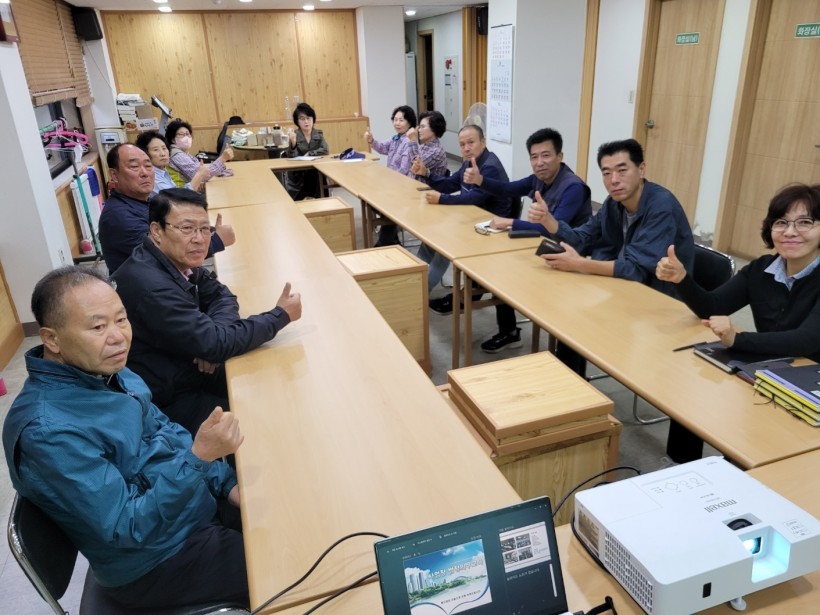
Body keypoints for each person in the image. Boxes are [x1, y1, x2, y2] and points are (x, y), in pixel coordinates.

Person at [2, 266, 248, 610]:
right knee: (295, 564)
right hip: (156, 561)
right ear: (52, 339)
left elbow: (165, 431)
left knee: (288, 508)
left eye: (121, 320)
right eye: (98, 327)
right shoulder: (47, 432)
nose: (118, 337)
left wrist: (225, 482)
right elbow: (126, 528)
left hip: (187, 509)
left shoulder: (106, 370)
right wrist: (200, 460)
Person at [112, 188, 302, 434]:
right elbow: (215, 343)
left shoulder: (170, 258)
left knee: (272, 383)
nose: (200, 239)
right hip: (165, 400)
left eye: (204, 229)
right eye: (187, 228)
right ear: (156, 231)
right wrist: (280, 315)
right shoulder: (151, 286)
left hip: (186, 367)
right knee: (257, 425)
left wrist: (211, 339)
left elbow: (222, 295)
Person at [531, 138, 694, 375]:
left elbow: (635, 269)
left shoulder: (661, 206)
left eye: (622, 170)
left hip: (659, 300)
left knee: (577, 317)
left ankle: (573, 382)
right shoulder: (613, 204)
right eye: (606, 173)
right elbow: (583, 237)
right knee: (568, 315)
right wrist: (548, 220)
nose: (614, 180)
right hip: (624, 288)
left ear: (641, 169)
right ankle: (570, 384)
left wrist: (580, 264)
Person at [657, 183, 820, 362]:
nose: (789, 232)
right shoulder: (761, 269)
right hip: (771, 366)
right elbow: (712, 308)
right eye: (781, 222)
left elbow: (807, 340)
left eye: (805, 222)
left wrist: (736, 339)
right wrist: (681, 279)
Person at [462, 128, 592, 352]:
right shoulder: (537, 180)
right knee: (500, 271)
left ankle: (560, 351)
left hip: (570, 258)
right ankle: (509, 332)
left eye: (546, 155)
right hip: (543, 247)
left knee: (507, 273)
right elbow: (507, 189)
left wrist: (510, 222)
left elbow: (552, 229)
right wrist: (480, 180)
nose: (539, 162)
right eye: (534, 157)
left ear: (560, 157)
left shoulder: (573, 187)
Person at [412, 124, 514, 315]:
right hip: (472, 221)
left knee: (443, 247)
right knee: (430, 241)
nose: (466, 148)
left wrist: (442, 199)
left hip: (491, 231)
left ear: (483, 142)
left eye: (471, 142)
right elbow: (450, 184)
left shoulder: (489, 167)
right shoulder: (469, 163)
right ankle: (413, 286)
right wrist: (426, 174)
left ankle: (418, 298)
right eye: (462, 144)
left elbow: (473, 198)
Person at [98, 144, 235, 274]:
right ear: (114, 175)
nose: (145, 173)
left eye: (148, 166)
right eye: (134, 166)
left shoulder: (144, 201)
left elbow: (176, 229)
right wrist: (217, 240)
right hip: (149, 288)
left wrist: (206, 230)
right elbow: (163, 257)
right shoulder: (119, 217)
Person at [365, 105, 417, 246]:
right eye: (395, 120)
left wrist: (385, 181)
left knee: (385, 206)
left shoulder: (409, 141)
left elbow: (403, 171)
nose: (397, 123)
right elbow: (383, 147)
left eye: (401, 120)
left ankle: (384, 242)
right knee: (371, 200)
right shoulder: (396, 138)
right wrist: (371, 140)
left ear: (410, 122)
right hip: (393, 184)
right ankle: (393, 240)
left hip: (404, 186)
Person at [135, 130, 210, 197]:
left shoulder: (162, 170)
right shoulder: (151, 177)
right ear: (145, 154)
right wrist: (199, 175)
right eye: (156, 150)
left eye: (164, 148)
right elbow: (177, 200)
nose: (163, 153)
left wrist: (197, 184)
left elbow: (175, 191)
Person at [167, 118, 234, 186]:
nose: (186, 137)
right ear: (173, 139)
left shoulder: (183, 153)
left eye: (188, 134)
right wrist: (222, 159)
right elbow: (202, 176)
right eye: (181, 134)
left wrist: (220, 170)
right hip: (184, 192)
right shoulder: (178, 155)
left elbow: (201, 169)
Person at [284, 102, 329, 200]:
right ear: (297, 121)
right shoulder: (294, 135)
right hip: (299, 174)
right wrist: (293, 143)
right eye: (302, 119)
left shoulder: (318, 134)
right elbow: (291, 158)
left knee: (317, 174)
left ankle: (320, 202)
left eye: (309, 118)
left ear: (313, 120)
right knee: (313, 174)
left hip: (315, 171)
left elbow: (325, 150)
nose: (306, 122)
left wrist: (310, 154)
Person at [406, 110, 448, 179]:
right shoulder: (423, 145)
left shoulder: (437, 151)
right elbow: (407, 165)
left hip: (425, 185)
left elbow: (416, 166)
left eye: (423, 127)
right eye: (419, 127)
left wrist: (413, 140)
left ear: (434, 128)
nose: (419, 130)